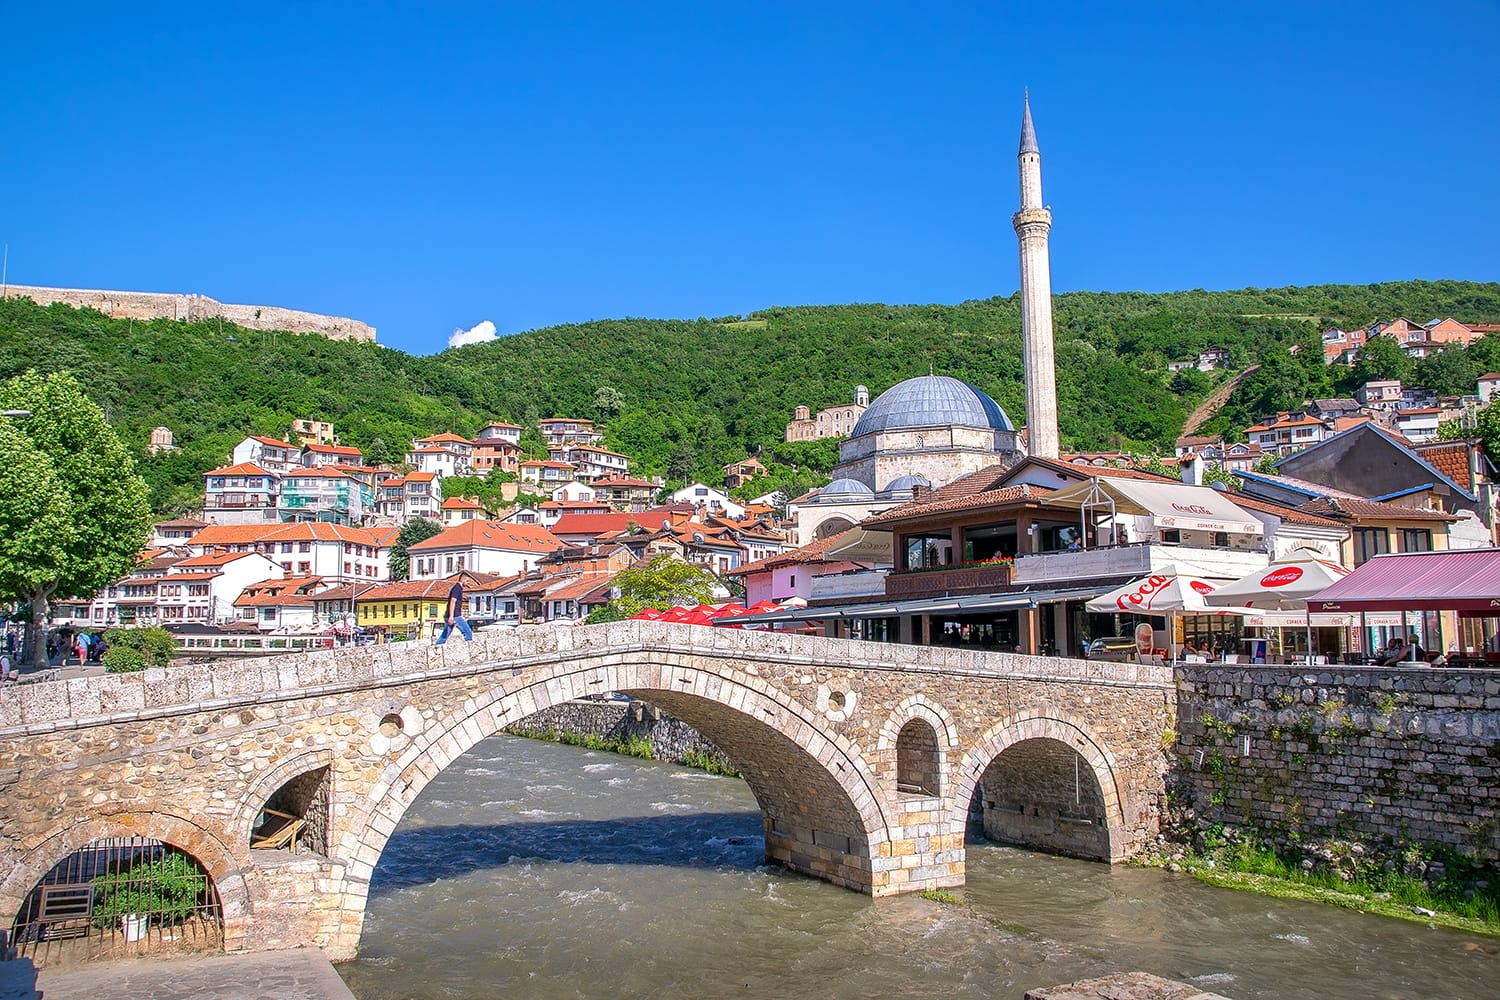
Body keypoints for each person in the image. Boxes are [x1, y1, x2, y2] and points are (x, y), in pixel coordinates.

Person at [435, 578, 472, 645]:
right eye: (467, 581)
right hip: (455, 615)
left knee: (445, 634)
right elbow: (452, 601)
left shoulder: (458, 588)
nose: (468, 583)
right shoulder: (457, 588)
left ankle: (437, 646)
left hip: (450, 615)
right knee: (468, 632)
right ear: (463, 580)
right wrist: (451, 616)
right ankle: (469, 647)